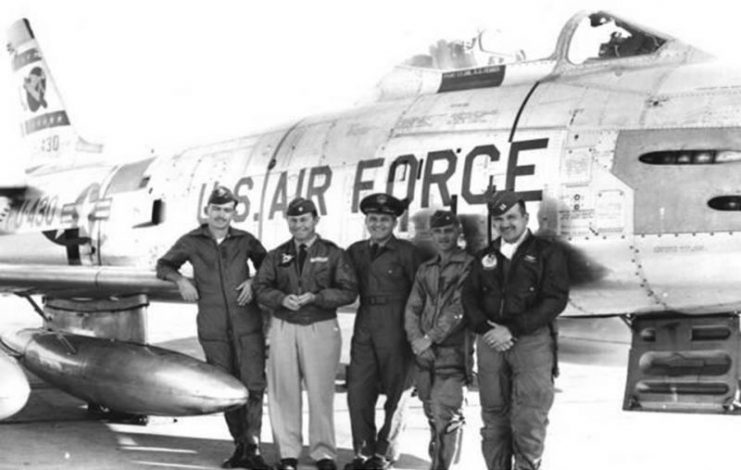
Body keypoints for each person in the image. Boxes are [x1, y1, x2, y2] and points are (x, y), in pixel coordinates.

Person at [156, 185, 270, 470]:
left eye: (227, 210)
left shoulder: (245, 240)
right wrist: (181, 281)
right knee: (226, 387)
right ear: (207, 211)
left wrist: (254, 282)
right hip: (213, 327)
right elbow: (164, 265)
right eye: (216, 210)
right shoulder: (191, 241)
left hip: (247, 325)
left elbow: (268, 266)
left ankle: (253, 447)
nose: (221, 215)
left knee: (254, 385)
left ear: (234, 212)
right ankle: (240, 447)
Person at [462, 190, 569, 470]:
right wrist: (487, 329)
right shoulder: (484, 256)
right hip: (490, 343)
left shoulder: (547, 253)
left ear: (525, 218)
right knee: (493, 417)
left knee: (529, 417)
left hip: (530, 342)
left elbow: (555, 298)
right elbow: (469, 298)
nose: (506, 224)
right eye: (499, 219)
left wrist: (512, 329)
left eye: (512, 217)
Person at [253, 197, 358, 470]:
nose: (298, 225)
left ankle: (323, 454)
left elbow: (348, 290)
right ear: (288, 221)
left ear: (315, 220)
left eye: (304, 220)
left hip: (320, 326)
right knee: (283, 390)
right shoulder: (276, 255)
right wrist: (279, 299)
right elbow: (261, 286)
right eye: (293, 220)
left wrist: (317, 296)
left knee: (321, 392)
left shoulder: (334, 254)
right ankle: (288, 454)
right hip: (284, 326)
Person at [344, 193, 425, 470]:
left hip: (396, 324)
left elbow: (421, 292)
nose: (378, 224)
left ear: (394, 222)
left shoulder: (406, 252)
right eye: (373, 219)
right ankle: (363, 453)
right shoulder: (355, 251)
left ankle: (384, 454)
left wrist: (415, 333)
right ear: (367, 220)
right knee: (358, 389)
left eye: (384, 219)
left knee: (398, 390)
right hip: (365, 322)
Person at [404, 210, 474, 470]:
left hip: (452, 353)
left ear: (458, 232)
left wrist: (429, 338)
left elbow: (459, 307)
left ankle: (441, 467)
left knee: (448, 415)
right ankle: (439, 461)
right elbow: (412, 307)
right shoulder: (426, 269)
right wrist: (415, 339)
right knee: (431, 413)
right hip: (424, 354)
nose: (443, 236)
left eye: (448, 231)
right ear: (431, 235)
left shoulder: (469, 265)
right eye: (438, 232)